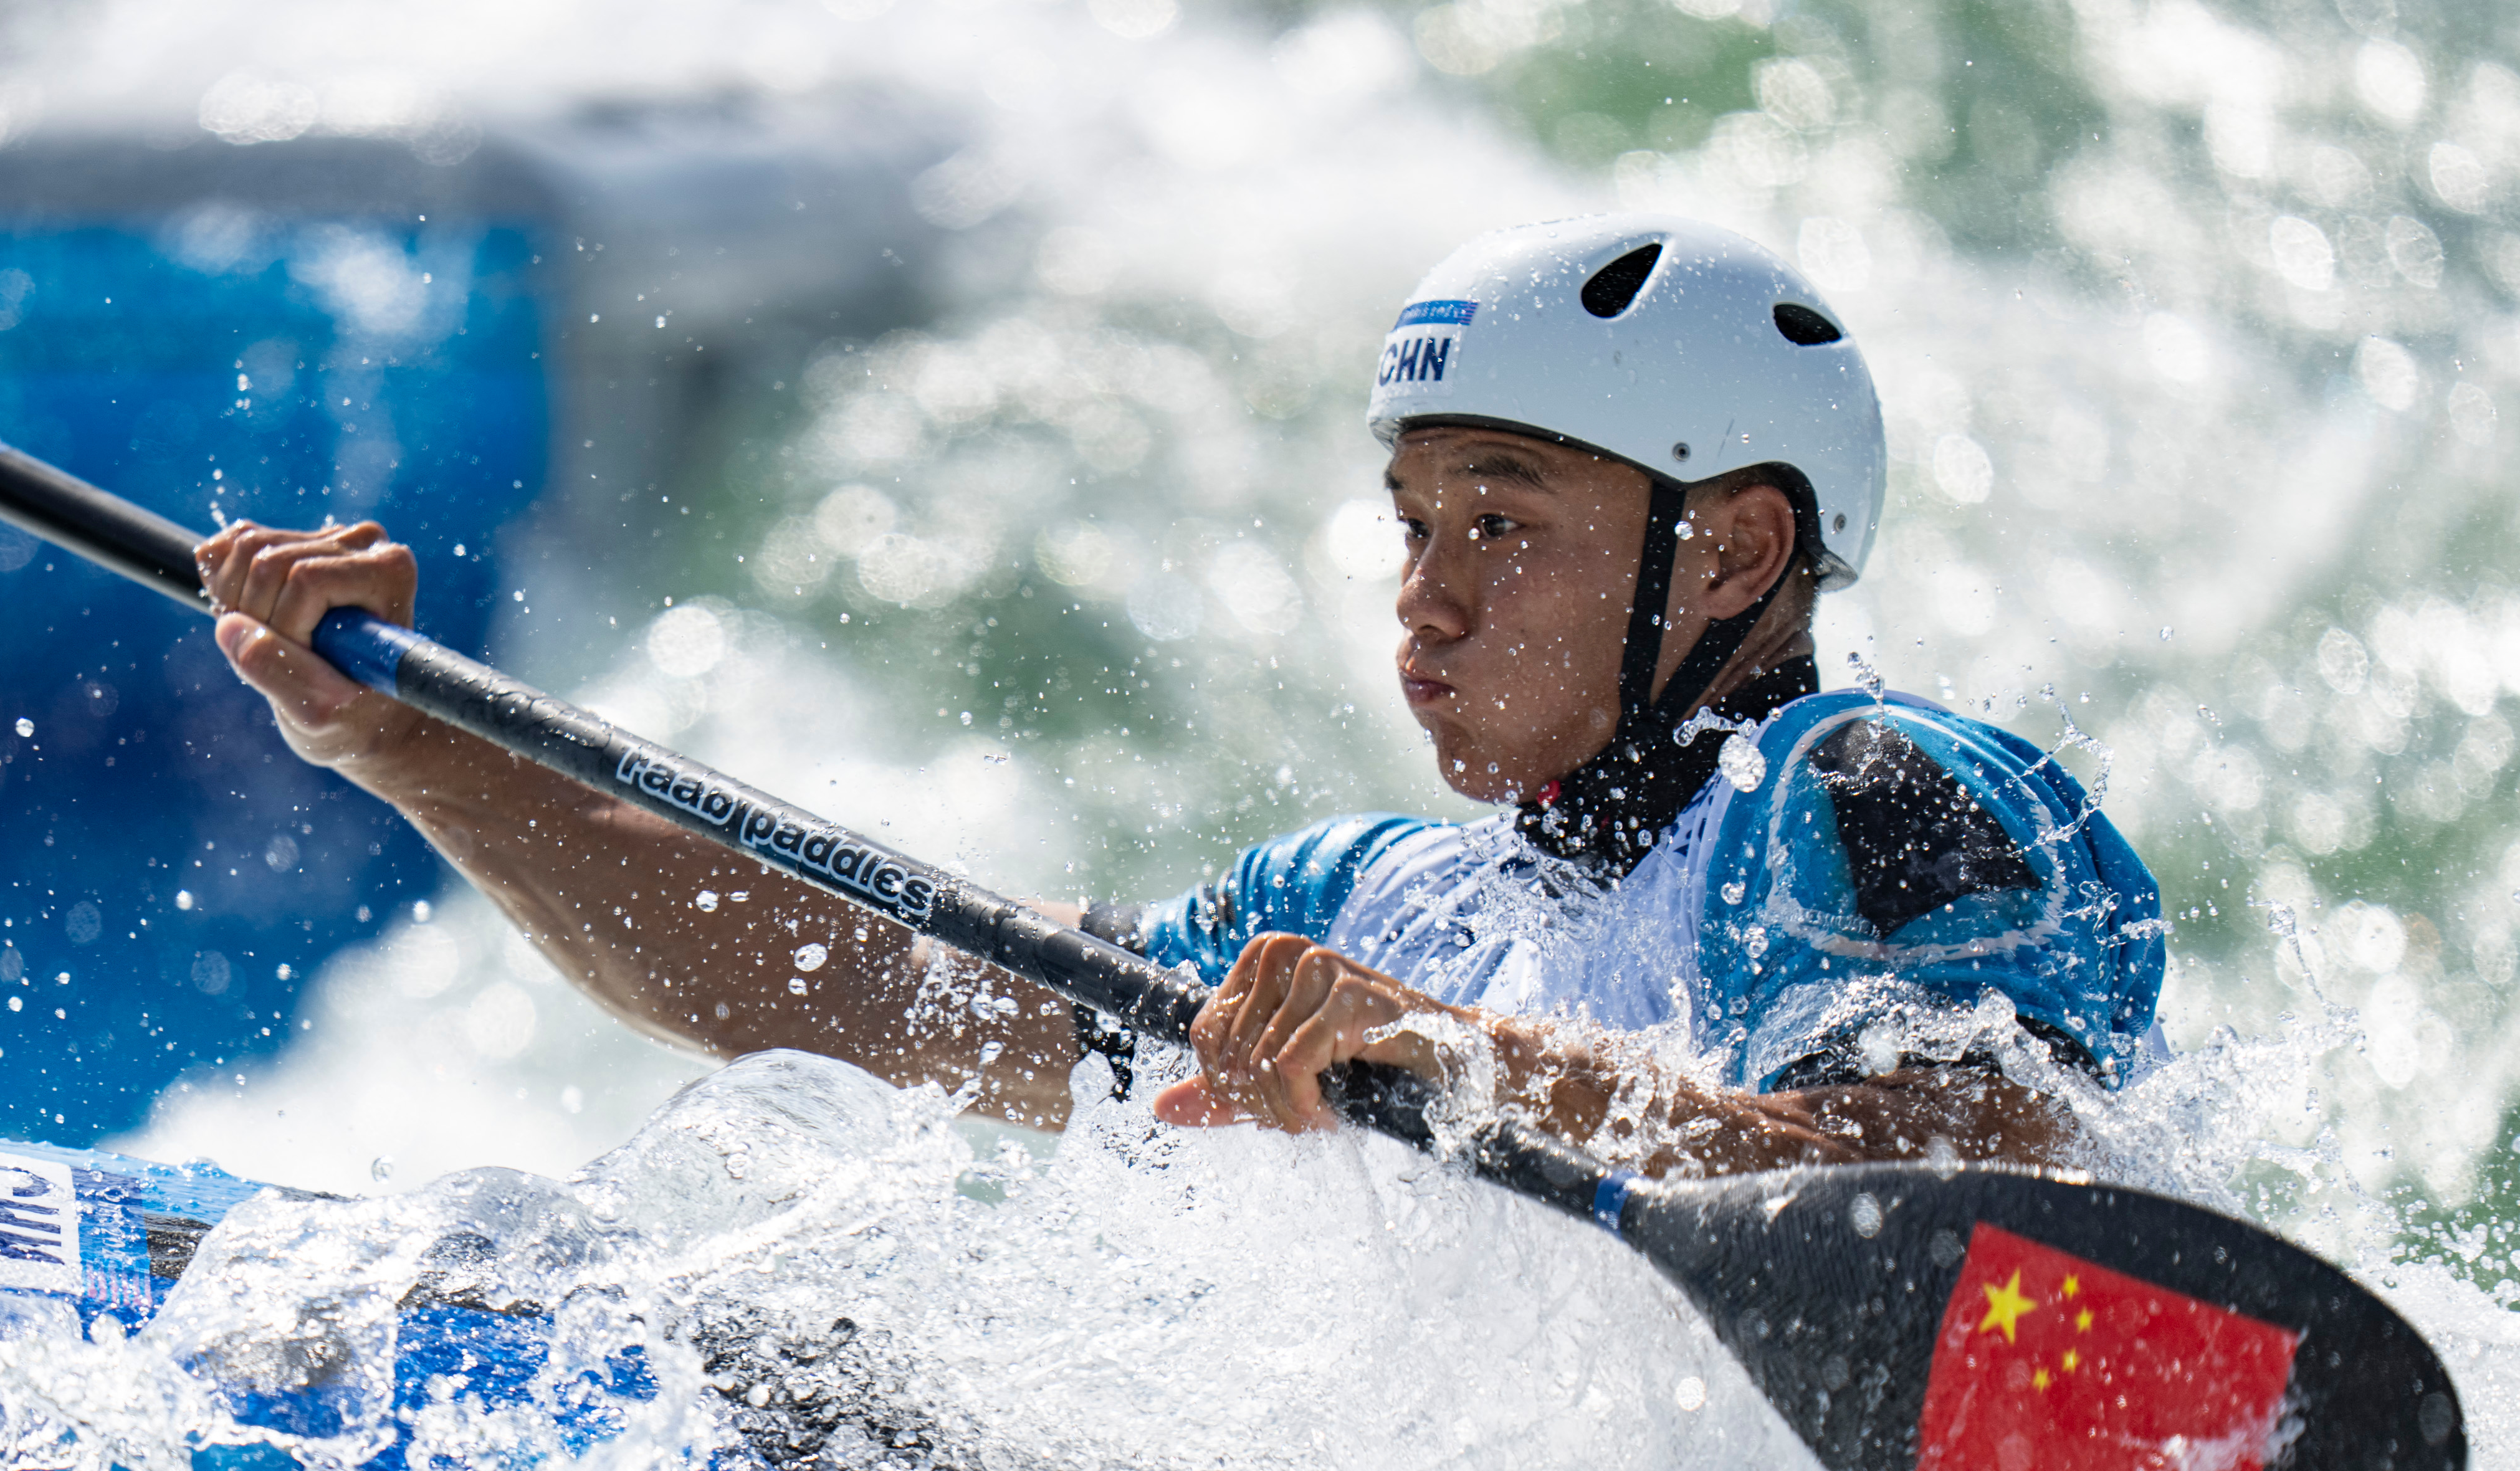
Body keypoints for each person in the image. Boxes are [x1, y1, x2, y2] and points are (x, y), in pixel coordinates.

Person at [200, 215, 2162, 1177]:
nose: (1427, 597)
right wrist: (403, 743)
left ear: (1733, 554)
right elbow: (855, 990)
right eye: (1409, 522)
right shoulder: (1373, 909)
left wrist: (1467, 1067)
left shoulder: (1877, 790)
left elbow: (2001, 1174)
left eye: (1504, 521)